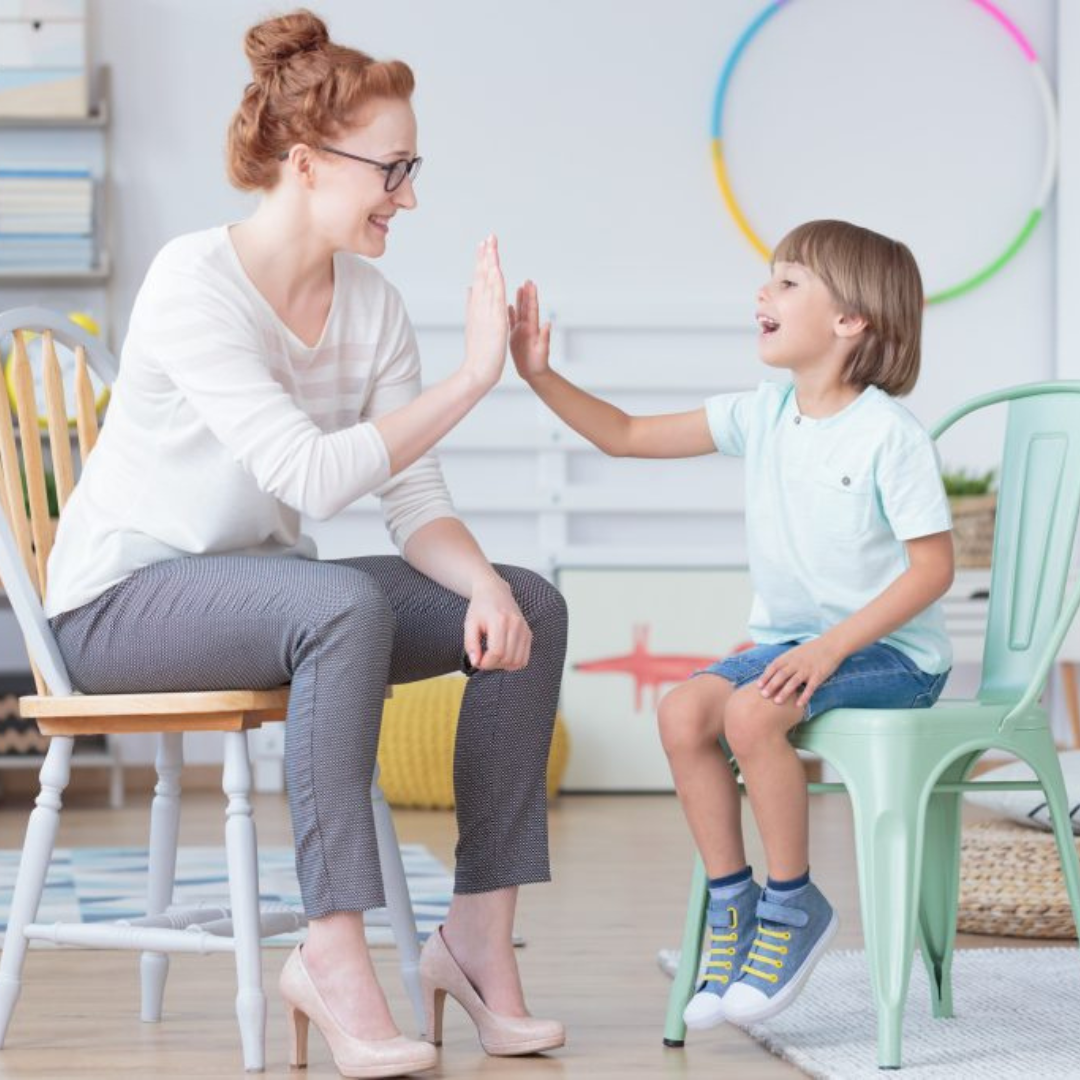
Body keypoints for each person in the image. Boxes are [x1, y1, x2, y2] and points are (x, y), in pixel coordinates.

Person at [45, 10, 566, 1078]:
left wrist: (481, 587)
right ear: (305, 163)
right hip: (120, 605)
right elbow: (312, 476)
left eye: (413, 168)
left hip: (263, 597)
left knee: (530, 603)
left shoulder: (371, 307)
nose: (409, 195)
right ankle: (329, 952)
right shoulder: (194, 283)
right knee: (342, 606)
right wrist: (474, 381)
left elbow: (413, 502)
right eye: (394, 168)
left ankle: (473, 939)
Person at [509, 219, 953, 1029]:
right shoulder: (767, 411)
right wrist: (541, 376)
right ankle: (733, 904)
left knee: (751, 714)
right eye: (769, 279)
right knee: (682, 710)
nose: (763, 294)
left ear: (851, 320)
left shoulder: (891, 434)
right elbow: (627, 435)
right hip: (797, 646)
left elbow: (934, 570)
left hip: (891, 653)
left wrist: (829, 648)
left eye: (788, 282)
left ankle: (795, 907)